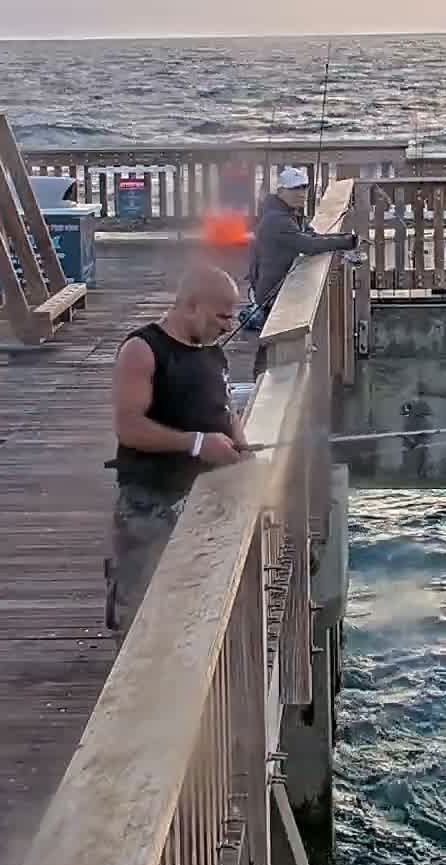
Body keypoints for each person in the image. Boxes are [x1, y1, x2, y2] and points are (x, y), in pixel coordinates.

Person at [105, 265, 249, 642]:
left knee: (191, 609)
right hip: (149, 507)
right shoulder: (142, 350)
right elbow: (129, 427)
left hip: (200, 504)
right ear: (191, 306)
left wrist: (240, 444)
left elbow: (225, 408)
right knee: (143, 613)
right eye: (221, 315)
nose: (227, 324)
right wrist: (198, 444)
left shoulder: (213, 353)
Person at [247, 166, 359, 374]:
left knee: (269, 340)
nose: (301, 193)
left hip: (280, 287)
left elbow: (312, 237)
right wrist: (347, 242)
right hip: (272, 291)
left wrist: (341, 240)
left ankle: (262, 376)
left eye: (304, 188)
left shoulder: (288, 213)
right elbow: (308, 246)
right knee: (271, 340)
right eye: (295, 189)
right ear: (281, 192)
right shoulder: (277, 220)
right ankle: (262, 379)